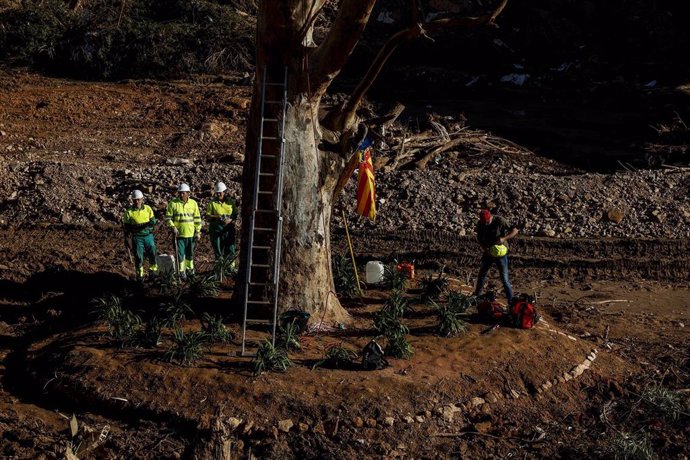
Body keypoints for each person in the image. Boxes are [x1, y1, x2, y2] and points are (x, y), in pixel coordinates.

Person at [473, 209, 519, 304]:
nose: (486, 224)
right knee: (482, 274)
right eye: (484, 222)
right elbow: (479, 239)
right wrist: (486, 250)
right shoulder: (480, 223)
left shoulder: (500, 220)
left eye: (487, 222)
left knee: (504, 278)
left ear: (490, 217)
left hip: (500, 253)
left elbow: (515, 230)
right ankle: (476, 296)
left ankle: (511, 300)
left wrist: (504, 238)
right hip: (489, 252)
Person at [165, 183, 201, 279]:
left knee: (190, 254)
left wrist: (198, 231)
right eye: (180, 193)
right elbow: (168, 218)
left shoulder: (193, 203)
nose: (181, 195)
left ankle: (190, 270)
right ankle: (182, 271)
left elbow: (197, 218)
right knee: (180, 255)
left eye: (183, 193)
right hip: (179, 235)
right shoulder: (173, 204)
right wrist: (173, 227)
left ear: (188, 193)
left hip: (191, 234)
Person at [122, 189, 158, 281]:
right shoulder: (129, 212)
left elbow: (153, 221)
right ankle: (140, 276)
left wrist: (147, 226)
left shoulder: (148, 209)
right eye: (135, 200)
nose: (137, 201)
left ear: (142, 199)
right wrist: (127, 239)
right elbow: (126, 228)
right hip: (137, 237)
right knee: (138, 257)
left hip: (148, 235)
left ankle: (152, 272)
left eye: (138, 199)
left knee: (152, 253)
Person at [206, 181, 238, 265]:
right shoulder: (212, 203)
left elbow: (235, 214)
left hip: (228, 229)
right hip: (216, 229)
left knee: (230, 248)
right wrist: (217, 217)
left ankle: (230, 268)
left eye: (220, 192)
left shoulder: (230, 202)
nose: (218, 194)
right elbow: (208, 216)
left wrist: (230, 220)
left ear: (224, 192)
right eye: (217, 193)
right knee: (218, 250)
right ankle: (219, 269)